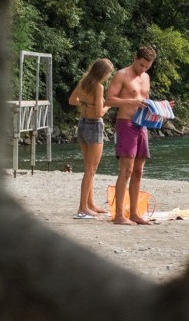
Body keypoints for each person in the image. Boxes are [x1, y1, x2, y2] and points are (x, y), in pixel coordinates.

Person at [105, 45, 156, 226]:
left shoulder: (146, 77)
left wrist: (161, 107)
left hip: (142, 125)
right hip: (125, 124)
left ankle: (134, 213)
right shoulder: (122, 75)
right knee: (125, 170)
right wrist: (131, 101)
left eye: (146, 67)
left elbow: (146, 100)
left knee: (138, 171)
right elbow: (109, 100)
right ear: (135, 58)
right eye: (141, 65)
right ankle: (119, 215)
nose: (142, 69)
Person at [66, 57, 115, 220]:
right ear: (103, 73)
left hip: (82, 125)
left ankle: (90, 204)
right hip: (94, 126)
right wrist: (109, 105)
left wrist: (85, 104)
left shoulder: (83, 82)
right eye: (109, 74)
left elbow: (72, 101)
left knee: (89, 169)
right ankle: (82, 208)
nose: (109, 76)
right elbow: (100, 113)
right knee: (91, 170)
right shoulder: (99, 87)